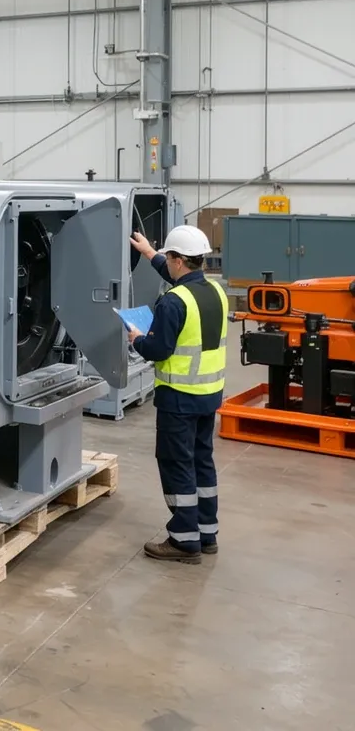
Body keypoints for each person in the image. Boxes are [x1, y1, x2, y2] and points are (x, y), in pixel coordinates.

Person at [126, 224, 228, 564]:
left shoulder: (172, 303)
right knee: (202, 461)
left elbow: (158, 349)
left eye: (168, 257)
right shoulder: (216, 291)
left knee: (177, 464)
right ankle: (206, 533)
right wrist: (149, 252)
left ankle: (184, 540)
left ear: (179, 260)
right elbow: (182, 284)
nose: (167, 262)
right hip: (209, 395)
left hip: (179, 398)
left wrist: (137, 339)